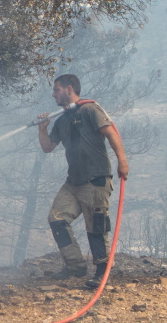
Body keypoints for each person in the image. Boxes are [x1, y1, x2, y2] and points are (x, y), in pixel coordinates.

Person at [36, 74, 128, 289]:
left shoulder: (89, 110)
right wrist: (42, 129)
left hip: (95, 178)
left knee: (96, 226)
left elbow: (110, 133)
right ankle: (75, 265)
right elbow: (48, 147)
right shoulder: (62, 119)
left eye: (56, 90)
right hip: (73, 181)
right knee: (56, 219)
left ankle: (101, 272)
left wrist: (122, 161)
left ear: (69, 89)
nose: (53, 94)